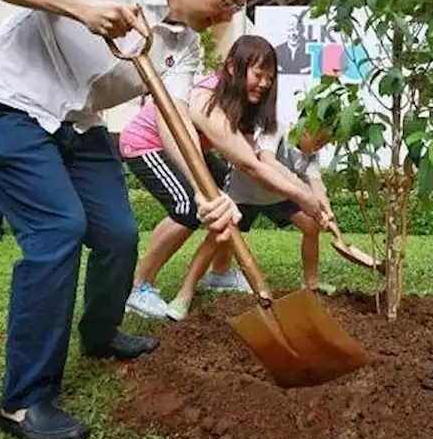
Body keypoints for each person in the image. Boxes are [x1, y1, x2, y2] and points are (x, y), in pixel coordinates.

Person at [0, 0, 264, 439]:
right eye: (225, 0)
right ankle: (23, 402)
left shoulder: (183, 45)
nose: (227, 15)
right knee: (58, 230)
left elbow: (174, 122)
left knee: (117, 233)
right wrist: (82, 8)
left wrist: (206, 193)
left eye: (236, 7)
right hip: (0, 103)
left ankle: (99, 333)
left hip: (76, 122)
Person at [122, 35, 329, 319]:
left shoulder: (243, 103)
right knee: (189, 207)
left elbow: (252, 157)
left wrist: (306, 192)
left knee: (228, 198)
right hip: (148, 144)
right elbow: (249, 165)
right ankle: (140, 287)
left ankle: (219, 273)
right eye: (258, 74)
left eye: (270, 78)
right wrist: (303, 196)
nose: (265, 83)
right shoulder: (207, 97)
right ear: (233, 66)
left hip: (191, 149)